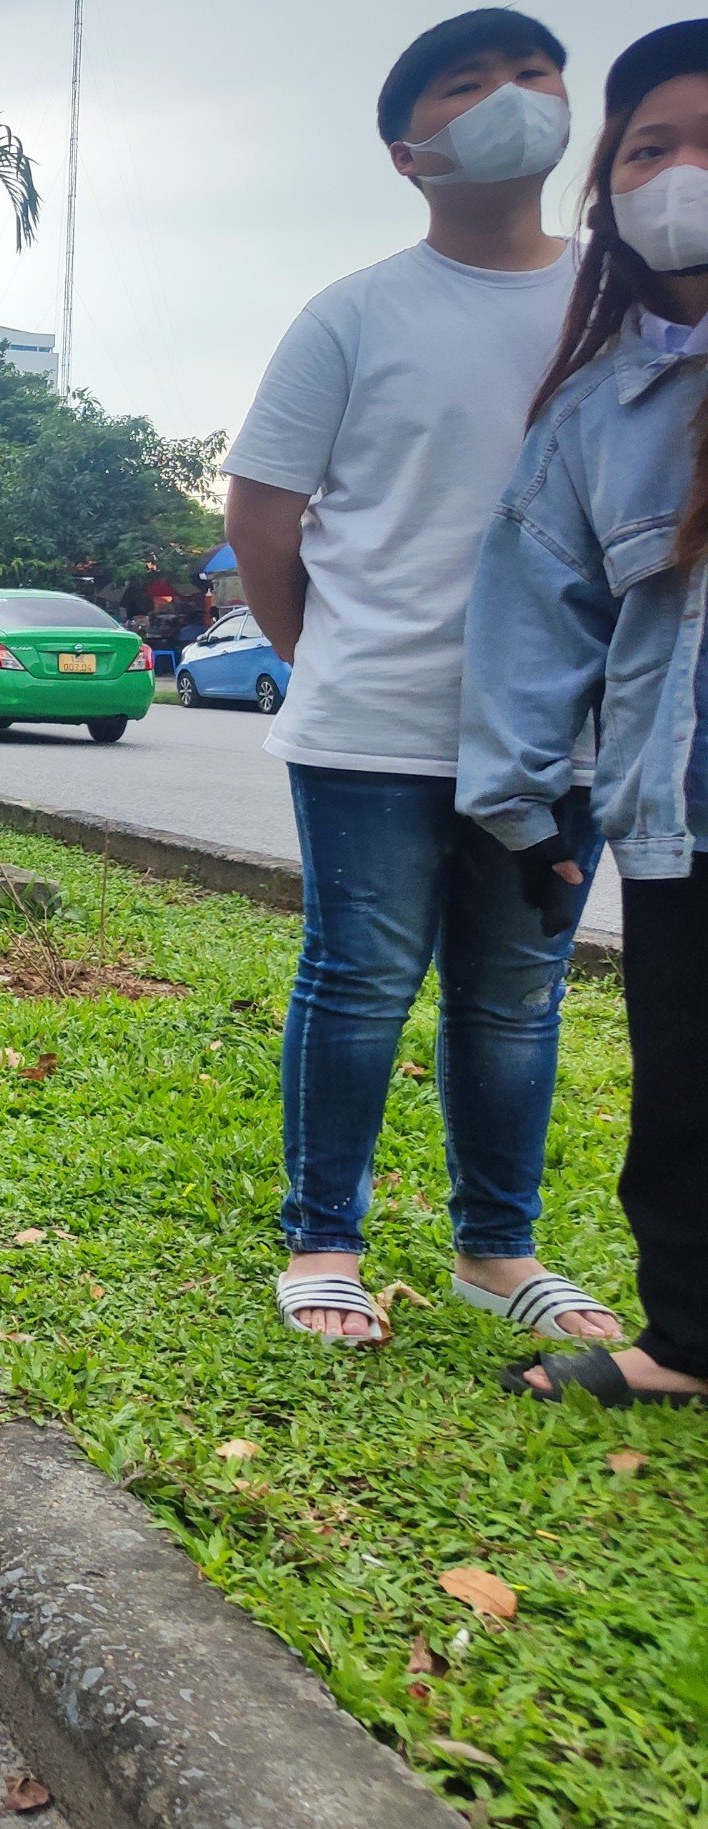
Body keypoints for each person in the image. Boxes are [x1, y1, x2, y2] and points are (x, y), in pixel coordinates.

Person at [223, 8, 618, 1347]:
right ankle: (321, 1236)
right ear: (408, 149)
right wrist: (320, 652)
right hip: (374, 722)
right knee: (360, 979)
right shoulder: (355, 314)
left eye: (534, 76)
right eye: (469, 85)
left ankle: (496, 1249)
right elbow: (263, 514)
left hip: (559, 732)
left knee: (516, 993)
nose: (512, 99)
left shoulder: (620, 311)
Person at [458, 21, 708, 1407]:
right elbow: (536, 621)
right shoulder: (600, 412)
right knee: (684, 1084)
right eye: (653, 147)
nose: (680, 173)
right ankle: (687, 1344)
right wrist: (529, 806)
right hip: (680, 812)